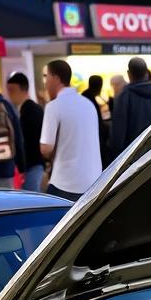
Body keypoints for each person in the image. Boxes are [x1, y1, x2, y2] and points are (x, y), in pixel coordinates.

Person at [39, 60, 102, 201]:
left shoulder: (53, 107)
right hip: (94, 182)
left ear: (56, 78)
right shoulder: (88, 104)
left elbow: (46, 148)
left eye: (46, 76)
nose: (45, 82)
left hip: (66, 183)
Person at [109, 57, 151, 159]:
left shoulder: (123, 97)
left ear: (129, 74)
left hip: (134, 163)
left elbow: (117, 140)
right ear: (146, 72)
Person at [5, 72, 46, 191]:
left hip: (32, 163)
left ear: (23, 89)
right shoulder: (27, 109)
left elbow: (27, 140)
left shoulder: (30, 110)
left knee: (32, 199)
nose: (9, 94)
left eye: (12, 90)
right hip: (33, 163)